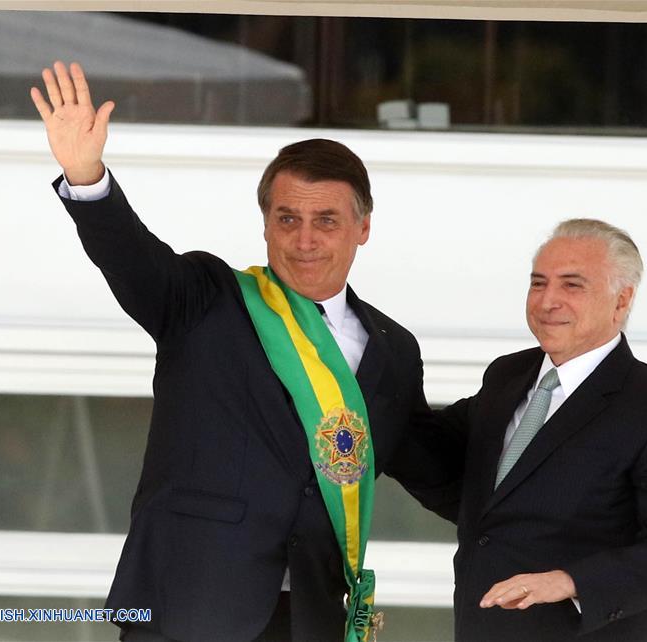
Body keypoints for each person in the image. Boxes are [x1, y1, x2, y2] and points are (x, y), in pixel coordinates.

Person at [30, 61, 442, 642]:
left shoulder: (393, 350)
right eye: (287, 218)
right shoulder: (206, 300)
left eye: (326, 220)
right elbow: (132, 258)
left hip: (310, 618)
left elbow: (436, 465)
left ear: (363, 228)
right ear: (266, 224)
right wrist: (85, 175)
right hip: (189, 609)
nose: (304, 239)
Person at [426, 219, 647, 641]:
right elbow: (438, 460)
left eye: (572, 285)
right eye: (538, 283)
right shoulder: (507, 376)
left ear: (622, 300)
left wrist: (569, 581)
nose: (547, 301)